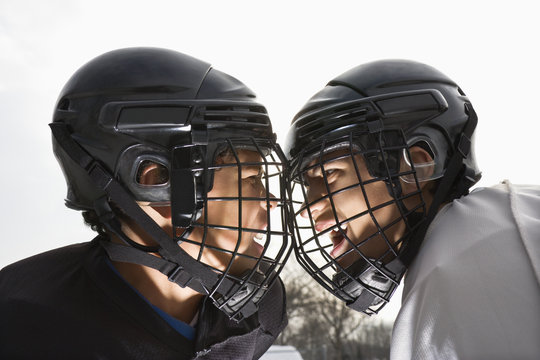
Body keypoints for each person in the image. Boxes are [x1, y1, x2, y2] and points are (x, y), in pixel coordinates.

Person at [0, 47, 292, 359]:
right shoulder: (22, 322)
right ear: (156, 182)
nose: (272, 201)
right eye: (250, 178)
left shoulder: (259, 312)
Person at [283, 59, 540, 359]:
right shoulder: (506, 216)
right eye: (306, 185)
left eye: (328, 175)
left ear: (416, 165)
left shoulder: (453, 279)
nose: (307, 207)